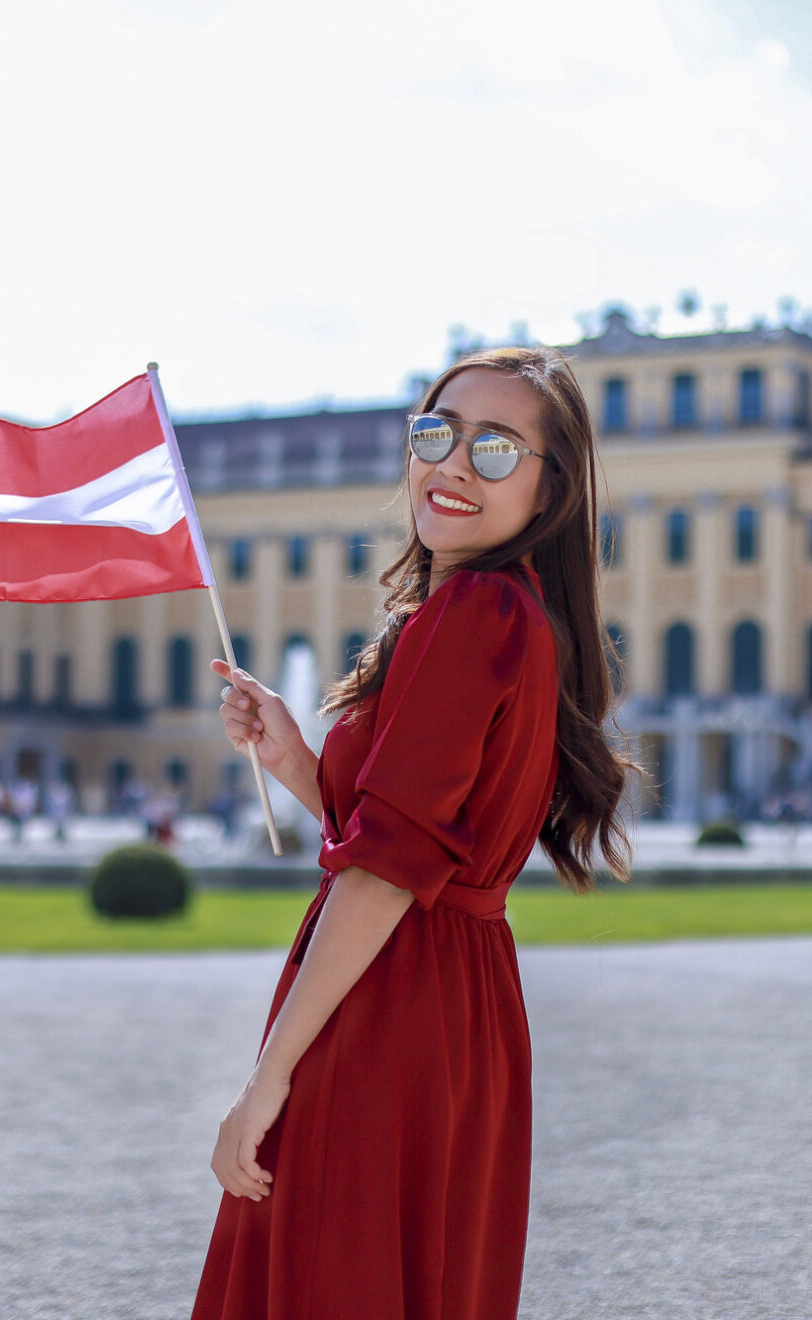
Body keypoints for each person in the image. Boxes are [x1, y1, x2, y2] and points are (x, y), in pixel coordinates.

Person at [189, 347, 635, 1319]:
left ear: (552, 489)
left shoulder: (471, 612)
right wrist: (296, 763)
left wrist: (265, 1084)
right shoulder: (508, 615)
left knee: (329, 1278)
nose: (454, 465)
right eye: (436, 433)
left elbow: (387, 876)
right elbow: (415, 839)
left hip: (390, 1004)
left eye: (497, 448)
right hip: (457, 1008)